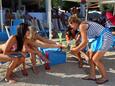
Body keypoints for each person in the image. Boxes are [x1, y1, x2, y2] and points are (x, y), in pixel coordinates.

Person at [68, 15, 113, 84]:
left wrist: (76, 49)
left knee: (95, 59)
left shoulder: (81, 26)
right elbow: (87, 41)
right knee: (90, 57)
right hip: (100, 38)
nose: (71, 27)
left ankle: (105, 77)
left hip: (105, 37)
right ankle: (92, 76)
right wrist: (86, 50)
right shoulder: (82, 25)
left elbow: (84, 42)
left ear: (74, 22)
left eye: (71, 25)